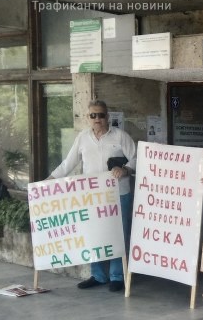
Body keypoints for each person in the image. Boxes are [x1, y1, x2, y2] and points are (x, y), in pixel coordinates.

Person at [49, 100, 137, 293]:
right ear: (88, 117)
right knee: (93, 235)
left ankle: (117, 276)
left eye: (101, 115)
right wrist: (50, 180)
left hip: (118, 194)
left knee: (118, 234)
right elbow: (68, 163)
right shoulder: (82, 138)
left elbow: (137, 158)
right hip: (91, 197)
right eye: (93, 115)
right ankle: (98, 275)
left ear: (108, 116)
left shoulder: (121, 136)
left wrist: (125, 169)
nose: (97, 119)